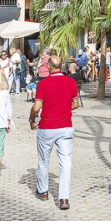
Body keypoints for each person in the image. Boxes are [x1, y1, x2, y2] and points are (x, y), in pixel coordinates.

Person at [31, 53, 81, 211]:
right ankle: (64, 199)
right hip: (65, 128)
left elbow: (36, 107)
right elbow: (75, 104)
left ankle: (43, 191)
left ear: (50, 67)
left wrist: (32, 119)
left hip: (47, 128)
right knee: (65, 163)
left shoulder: (44, 83)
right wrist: (64, 108)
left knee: (43, 161)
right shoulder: (70, 82)